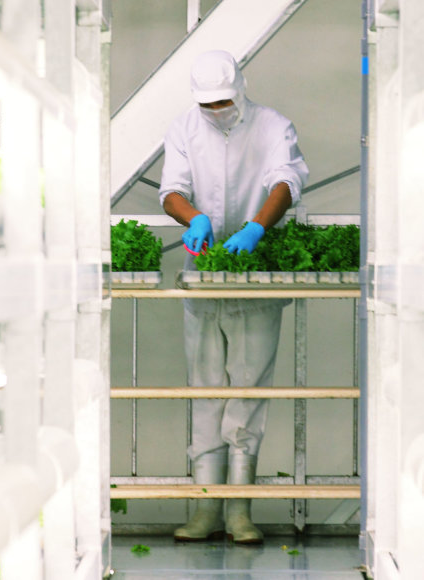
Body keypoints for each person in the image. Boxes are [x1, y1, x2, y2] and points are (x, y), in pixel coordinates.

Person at [159, 50, 309, 544]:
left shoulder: (271, 126)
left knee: (248, 389)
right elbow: (171, 189)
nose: (216, 108)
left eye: (223, 101)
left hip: (255, 280)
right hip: (202, 278)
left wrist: (255, 228)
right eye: (208, 103)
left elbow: (286, 180)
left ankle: (240, 510)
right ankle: (205, 509)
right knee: (205, 388)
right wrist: (193, 217)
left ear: (239, 89)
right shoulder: (184, 128)